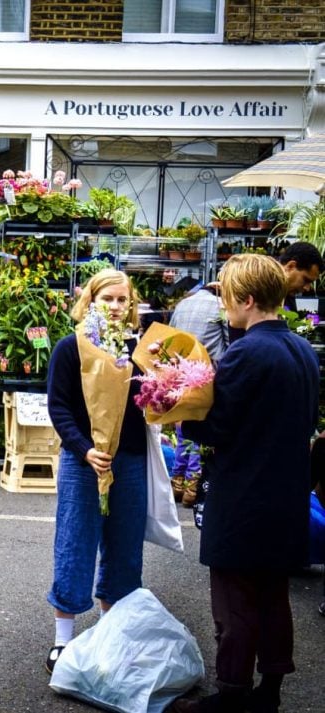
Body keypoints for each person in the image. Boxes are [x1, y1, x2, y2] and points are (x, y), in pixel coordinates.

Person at [171, 254, 319, 713]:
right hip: (288, 493)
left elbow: (216, 426)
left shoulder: (247, 353)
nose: (226, 310)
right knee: (273, 595)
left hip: (244, 495)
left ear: (248, 299)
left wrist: (180, 410)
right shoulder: (301, 349)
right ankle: (269, 690)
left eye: (229, 301)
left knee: (235, 600)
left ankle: (232, 693)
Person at [45, 269, 148, 674]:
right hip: (83, 460)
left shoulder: (140, 349)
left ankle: (111, 635)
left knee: (125, 548)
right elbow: (59, 407)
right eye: (108, 299)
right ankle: (62, 641)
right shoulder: (71, 348)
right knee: (75, 542)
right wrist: (85, 449)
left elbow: (147, 405)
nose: (116, 307)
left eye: (123, 300)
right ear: (90, 301)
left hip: (130, 459)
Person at [169, 285, 228, 365]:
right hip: (210, 365)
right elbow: (229, 338)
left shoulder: (181, 304)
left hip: (182, 363)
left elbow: (171, 333)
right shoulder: (221, 304)